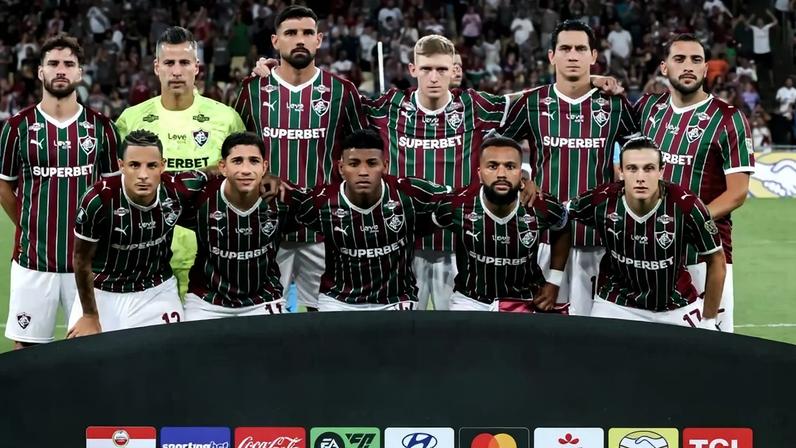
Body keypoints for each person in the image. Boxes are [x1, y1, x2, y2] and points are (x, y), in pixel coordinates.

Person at [234, 6, 368, 312]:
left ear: (319, 40)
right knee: (260, 318)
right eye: (290, 33)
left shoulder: (342, 92)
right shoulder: (252, 92)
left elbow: (362, 155)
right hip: (264, 231)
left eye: (307, 33)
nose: (300, 40)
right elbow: (235, 156)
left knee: (327, 323)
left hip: (326, 233)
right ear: (275, 41)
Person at [501, 20, 638, 317]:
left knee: (599, 336)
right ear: (552, 56)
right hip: (543, 242)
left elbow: (641, 159)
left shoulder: (615, 105)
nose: (572, 55)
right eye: (565, 48)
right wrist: (522, 176)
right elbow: (496, 154)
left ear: (593, 56)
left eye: (580, 49)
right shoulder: (530, 103)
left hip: (601, 243)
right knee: (543, 335)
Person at [0, 34, 120, 348]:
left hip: (89, 265)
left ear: (80, 73)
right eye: (53, 63)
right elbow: (4, 186)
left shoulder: (102, 128)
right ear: (40, 72)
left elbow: (112, 191)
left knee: (89, 351)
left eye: (69, 63)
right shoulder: (16, 128)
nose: (61, 69)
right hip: (33, 262)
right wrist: (29, 226)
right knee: (26, 351)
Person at [634, 34, 755, 332]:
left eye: (696, 60)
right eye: (679, 59)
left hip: (707, 258)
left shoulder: (729, 118)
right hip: (650, 255)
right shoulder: (648, 109)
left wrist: (686, 220)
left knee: (713, 354)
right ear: (664, 68)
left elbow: (737, 193)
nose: (688, 66)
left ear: (705, 70)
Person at [116, 26, 246, 298]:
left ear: (197, 67)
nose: (176, 71)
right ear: (156, 67)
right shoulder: (131, 119)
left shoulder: (225, 118)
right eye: (169, 63)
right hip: (146, 259)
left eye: (184, 62)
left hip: (213, 260)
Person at [567, 137, 726, 329]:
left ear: (661, 171)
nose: (640, 177)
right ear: (621, 172)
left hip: (675, 305)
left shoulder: (687, 206)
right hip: (616, 303)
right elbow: (559, 214)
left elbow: (716, 260)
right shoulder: (601, 200)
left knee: (701, 355)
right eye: (632, 168)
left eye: (649, 168)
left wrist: (708, 321)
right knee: (600, 356)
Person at [287, 129, 448, 311]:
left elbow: (460, 200)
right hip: (338, 300)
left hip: (395, 299)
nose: (363, 172)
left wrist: (435, 220)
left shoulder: (409, 193)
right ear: (341, 168)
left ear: (385, 166)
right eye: (354, 164)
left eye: (372, 163)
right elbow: (284, 201)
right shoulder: (321, 202)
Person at [67, 130, 202, 336]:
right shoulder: (98, 200)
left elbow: (215, 174)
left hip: (156, 291)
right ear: (121, 165)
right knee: (84, 363)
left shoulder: (176, 190)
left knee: (166, 362)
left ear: (163, 165)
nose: (143, 175)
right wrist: (89, 316)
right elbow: (80, 259)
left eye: (152, 165)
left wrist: (267, 178)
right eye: (134, 165)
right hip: (103, 291)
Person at [432, 136, 571, 312]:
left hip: (525, 300)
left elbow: (563, 227)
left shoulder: (542, 205)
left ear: (521, 174)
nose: (501, 174)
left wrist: (554, 281)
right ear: (479, 174)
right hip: (470, 300)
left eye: (510, 166)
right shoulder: (455, 205)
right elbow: (428, 223)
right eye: (492, 166)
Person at [181, 132, 295, 320]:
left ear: (264, 166)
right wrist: (204, 172)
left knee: (275, 349)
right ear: (222, 167)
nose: (246, 170)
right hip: (206, 300)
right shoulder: (201, 197)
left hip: (264, 299)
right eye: (237, 161)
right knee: (195, 349)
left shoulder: (280, 196)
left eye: (254, 161)